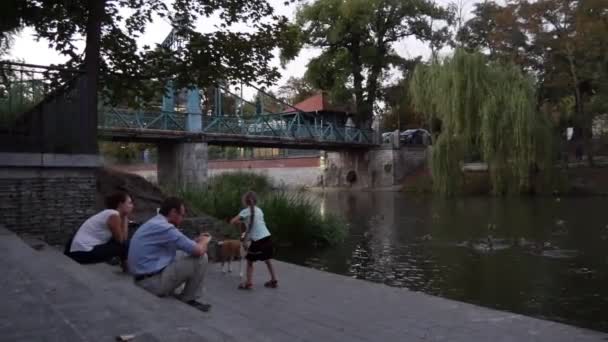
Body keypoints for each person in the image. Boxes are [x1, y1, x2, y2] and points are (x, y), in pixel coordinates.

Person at [128, 197, 212, 312]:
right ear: (173, 212)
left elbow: (182, 244)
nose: (182, 219)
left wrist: (196, 241)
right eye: (181, 215)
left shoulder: (155, 222)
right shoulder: (165, 228)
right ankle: (189, 298)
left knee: (182, 253)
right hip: (152, 283)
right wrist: (204, 240)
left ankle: (181, 290)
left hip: (142, 278)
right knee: (201, 258)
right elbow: (199, 251)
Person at [65, 191, 133, 270]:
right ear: (120, 204)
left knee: (120, 243)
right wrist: (125, 217)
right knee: (125, 244)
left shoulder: (108, 213)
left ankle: (124, 265)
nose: (132, 206)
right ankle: (126, 266)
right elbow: (121, 240)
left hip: (77, 251)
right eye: (129, 203)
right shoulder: (113, 215)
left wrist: (124, 216)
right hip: (82, 253)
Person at [230, 191, 278, 290]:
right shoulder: (260, 210)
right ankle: (274, 280)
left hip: (257, 239)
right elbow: (257, 222)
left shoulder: (245, 211)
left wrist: (242, 221)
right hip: (267, 236)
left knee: (249, 261)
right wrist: (246, 221)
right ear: (256, 200)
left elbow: (232, 221)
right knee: (267, 259)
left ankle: (249, 283)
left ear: (245, 201)